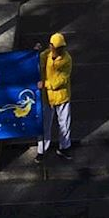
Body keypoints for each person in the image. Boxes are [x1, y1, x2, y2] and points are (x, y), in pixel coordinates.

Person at [37, 33, 73, 161]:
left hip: (62, 96)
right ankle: (41, 150)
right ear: (51, 46)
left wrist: (45, 84)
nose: (60, 50)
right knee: (44, 125)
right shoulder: (45, 55)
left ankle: (64, 147)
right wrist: (35, 52)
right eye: (57, 47)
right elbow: (37, 62)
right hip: (47, 97)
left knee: (64, 124)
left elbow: (62, 79)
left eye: (61, 47)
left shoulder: (67, 59)